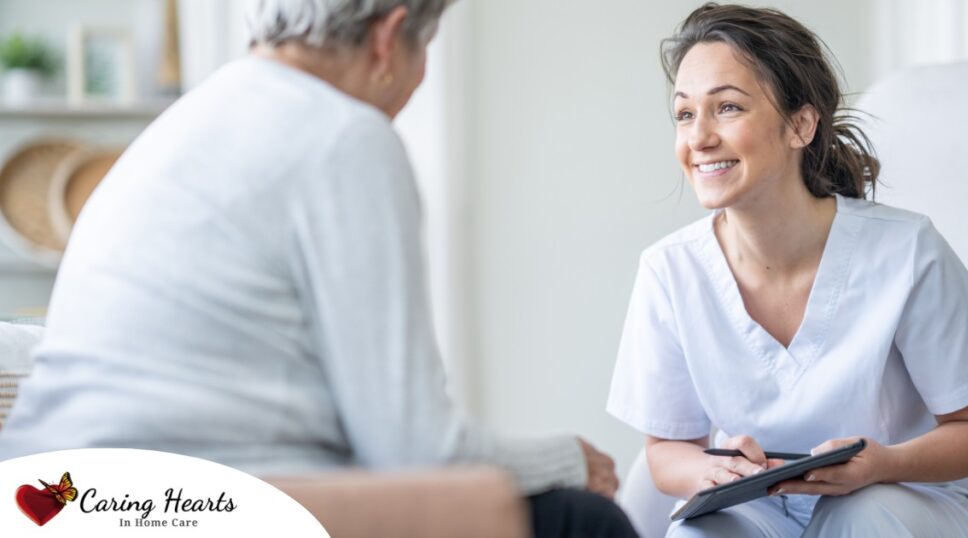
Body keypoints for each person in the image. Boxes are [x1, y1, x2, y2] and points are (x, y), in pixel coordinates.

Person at [0, 1, 636, 535]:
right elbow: (416, 450)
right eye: (425, 49)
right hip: (166, 503)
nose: (416, 82)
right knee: (583, 520)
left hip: (54, 498)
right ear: (391, 37)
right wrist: (568, 459)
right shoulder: (344, 137)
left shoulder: (189, 121)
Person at [607, 3, 968, 537]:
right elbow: (665, 451)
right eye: (685, 114)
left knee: (858, 515)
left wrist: (884, 464)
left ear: (800, 124)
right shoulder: (669, 271)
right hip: (765, 510)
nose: (699, 138)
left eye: (727, 108)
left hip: (910, 498)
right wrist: (712, 470)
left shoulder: (906, 251)